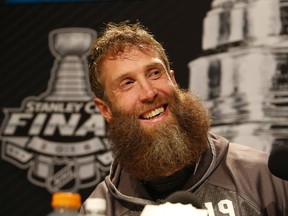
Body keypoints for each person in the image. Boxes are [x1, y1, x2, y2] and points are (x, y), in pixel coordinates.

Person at [81, 21, 288, 216]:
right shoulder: (100, 208)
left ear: (173, 80)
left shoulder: (263, 180)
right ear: (105, 109)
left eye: (154, 73)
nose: (149, 92)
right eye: (127, 83)